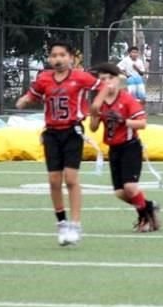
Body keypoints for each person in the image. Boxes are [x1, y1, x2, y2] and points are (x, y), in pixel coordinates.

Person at [16, 40, 101, 246]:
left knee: (71, 178)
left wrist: (96, 105)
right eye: (54, 55)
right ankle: (61, 222)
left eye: (62, 55)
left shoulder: (80, 77)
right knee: (54, 180)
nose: (58, 59)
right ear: (49, 58)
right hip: (52, 133)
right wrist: (24, 100)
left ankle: (76, 224)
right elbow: (33, 94)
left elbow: (104, 86)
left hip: (73, 131)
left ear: (71, 58)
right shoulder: (44, 78)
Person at [89, 63, 161, 232]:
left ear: (117, 80)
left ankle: (145, 217)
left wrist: (124, 121)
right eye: (102, 79)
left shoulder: (126, 99)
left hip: (130, 147)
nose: (106, 83)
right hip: (114, 150)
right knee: (121, 193)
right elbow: (93, 128)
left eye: (109, 78)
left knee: (130, 187)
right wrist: (95, 114)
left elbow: (142, 124)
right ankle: (148, 206)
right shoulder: (99, 101)